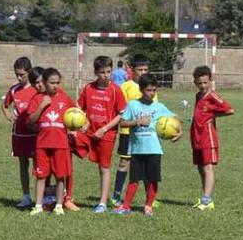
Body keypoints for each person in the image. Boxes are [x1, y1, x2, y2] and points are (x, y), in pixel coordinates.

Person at [111, 74, 181, 216]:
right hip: (137, 150)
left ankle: (148, 206)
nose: (152, 93)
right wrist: (137, 122)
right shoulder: (132, 105)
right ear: (141, 90)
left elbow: (175, 117)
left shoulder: (159, 106)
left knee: (152, 179)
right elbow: (122, 123)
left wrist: (179, 131)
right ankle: (126, 206)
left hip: (154, 150)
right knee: (134, 179)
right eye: (149, 90)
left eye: (154, 90)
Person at [77, 55, 126, 213]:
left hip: (106, 135)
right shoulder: (88, 88)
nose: (106, 75)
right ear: (95, 72)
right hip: (88, 134)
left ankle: (102, 203)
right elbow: (79, 109)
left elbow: (121, 114)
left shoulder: (116, 90)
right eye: (102, 72)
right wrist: (83, 122)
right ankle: (64, 196)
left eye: (108, 71)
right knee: (66, 150)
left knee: (104, 168)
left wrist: (104, 129)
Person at [27, 67, 75, 216]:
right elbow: (30, 121)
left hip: (61, 144)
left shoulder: (65, 98)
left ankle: (59, 205)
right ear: (44, 82)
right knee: (41, 176)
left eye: (58, 82)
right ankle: (38, 205)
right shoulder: (37, 98)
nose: (55, 86)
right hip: (42, 144)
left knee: (60, 176)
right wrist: (42, 106)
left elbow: (75, 115)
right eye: (52, 82)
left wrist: (78, 126)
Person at [113, 54, 155, 205]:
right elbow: (122, 111)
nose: (143, 72)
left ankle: (149, 198)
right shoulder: (125, 87)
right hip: (128, 132)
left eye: (146, 69)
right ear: (132, 70)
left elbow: (154, 109)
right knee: (124, 163)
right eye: (140, 69)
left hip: (146, 134)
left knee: (146, 164)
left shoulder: (151, 88)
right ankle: (116, 196)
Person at [190, 65, 234, 211]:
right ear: (195, 82)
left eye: (205, 82)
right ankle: (205, 199)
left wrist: (213, 115)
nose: (202, 86)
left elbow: (229, 109)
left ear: (210, 81)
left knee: (208, 168)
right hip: (196, 136)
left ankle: (207, 200)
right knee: (200, 168)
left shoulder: (213, 96)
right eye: (199, 83)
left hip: (208, 137)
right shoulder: (198, 96)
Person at [1, 56, 38, 209]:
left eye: (22, 74)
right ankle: (26, 197)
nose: (19, 77)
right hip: (20, 134)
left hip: (36, 134)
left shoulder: (37, 89)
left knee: (39, 165)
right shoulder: (14, 90)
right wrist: (8, 114)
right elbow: (4, 105)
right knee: (23, 164)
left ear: (29, 72)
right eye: (17, 74)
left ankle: (41, 198)